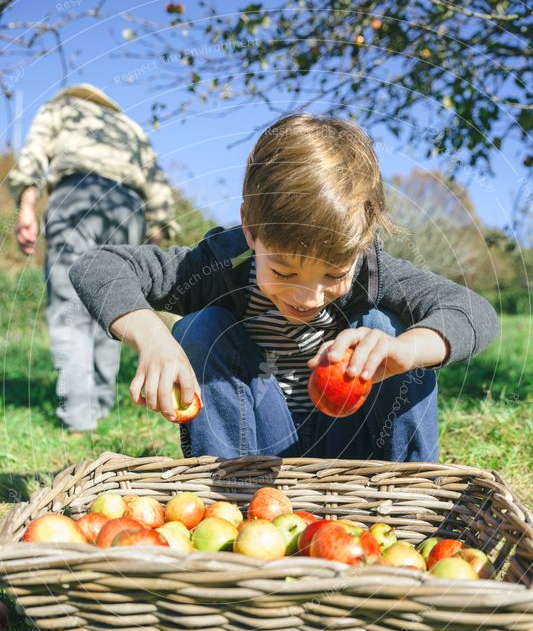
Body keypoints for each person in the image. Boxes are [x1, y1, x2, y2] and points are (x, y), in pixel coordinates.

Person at [70, 114, 499, 462]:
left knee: (388, 327)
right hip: (255, 452)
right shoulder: (222, 264)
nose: (308, 297)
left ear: (362, 245)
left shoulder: (373, 271)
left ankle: (411, 505)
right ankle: (229, 502)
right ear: (251, 229)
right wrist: (152, 338)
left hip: (358, 459)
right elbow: (97, 265)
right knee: (200, 330)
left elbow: (473, 311)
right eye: (286, 272)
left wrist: (405, 350)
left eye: (333, 275)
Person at [8, 83, 179, 433]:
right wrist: (157, 236)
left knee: (69, 306)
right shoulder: (129, 127)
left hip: (77, 197)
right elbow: (157, 184)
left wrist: (26, 206)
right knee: (114, 307)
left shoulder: (62, 109)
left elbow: (35, 153)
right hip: (129, 208)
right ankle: (99, 407)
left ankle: (79, 415)